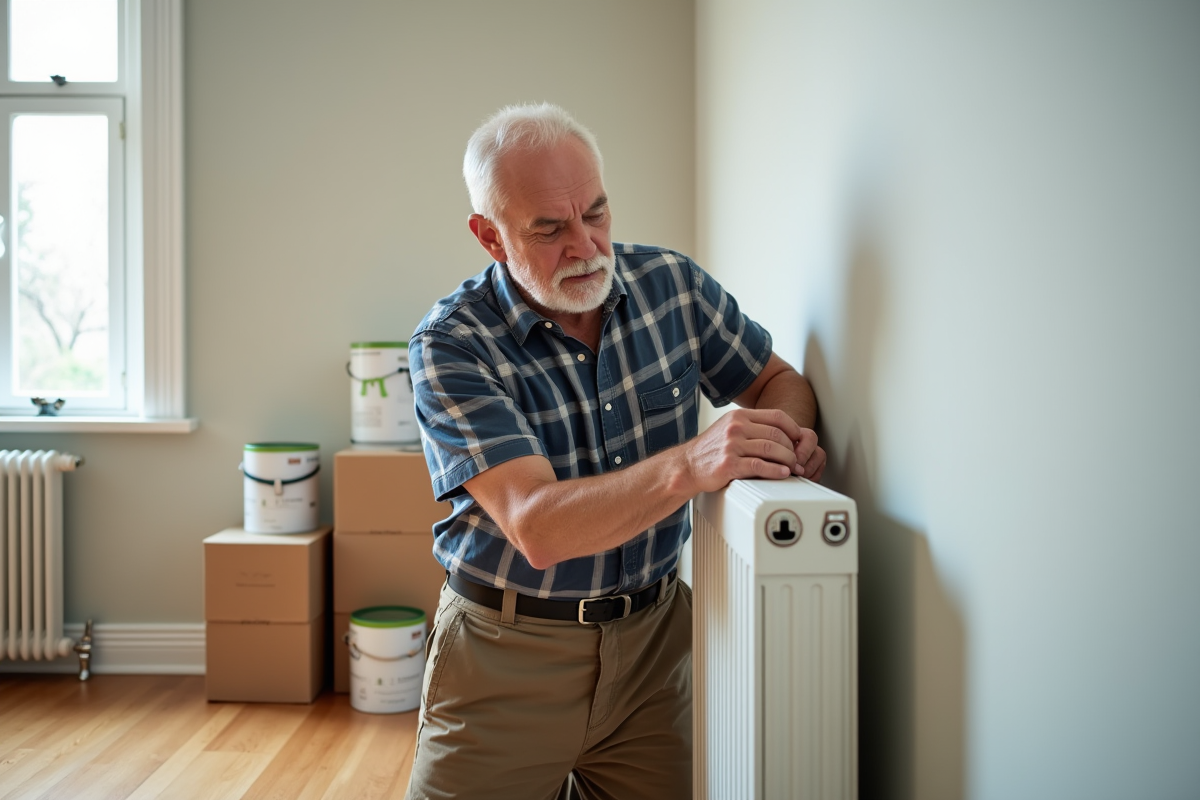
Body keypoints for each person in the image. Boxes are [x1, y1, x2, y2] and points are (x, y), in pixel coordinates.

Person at [405, 103, 826, 800]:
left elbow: (778, 381)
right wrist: (690, 464)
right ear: (490, 236)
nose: (585, 246)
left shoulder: (673, 287)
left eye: (595, 213)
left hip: (655, 652)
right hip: (505, 660)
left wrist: (780, 441)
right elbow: (537, 526)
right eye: (549, 229)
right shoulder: (451, 343)